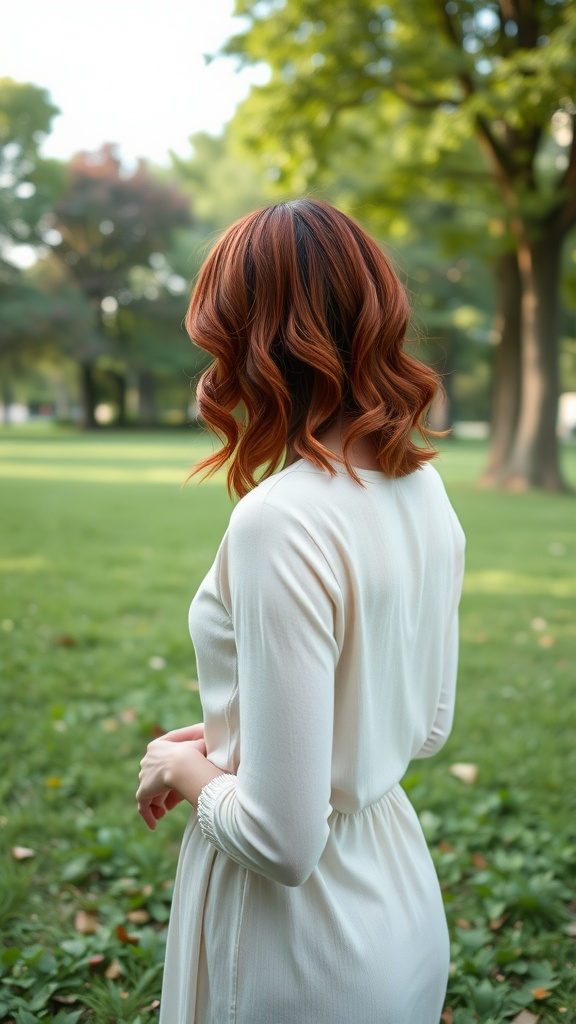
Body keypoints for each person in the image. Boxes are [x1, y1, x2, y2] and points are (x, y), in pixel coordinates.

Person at [136, 199, 465, 1024]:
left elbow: (285, 844)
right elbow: (423, 728)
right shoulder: (425, 490)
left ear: (256, 341)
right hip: (399, 909)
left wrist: (184, 770)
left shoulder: (279, 521)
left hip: (297, 949)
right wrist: (230, 740)